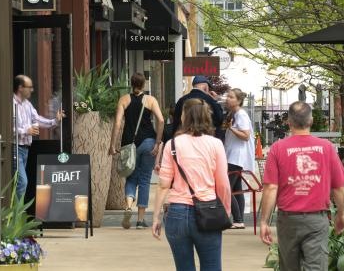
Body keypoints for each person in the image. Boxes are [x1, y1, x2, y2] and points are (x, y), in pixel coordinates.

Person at [259, 101, 344, 271]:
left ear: (289, 122)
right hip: (316, 219)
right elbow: (338, 187)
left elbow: (271, 188)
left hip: (287, 220)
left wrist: (264, 221)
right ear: (311, 121)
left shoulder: (277, 148)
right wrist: (341, 214)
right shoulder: (327, 148)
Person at [152, 99, 231, 271]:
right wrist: (225, 210)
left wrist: (156, 217)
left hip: (177, 213)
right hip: (208, 211)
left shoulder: (172, 144)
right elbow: (223, 183)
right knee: (212, 267)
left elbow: (163, 185)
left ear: (184, 117)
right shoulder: (216, 144)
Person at [109, 73, 165, 229]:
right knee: (145, 179)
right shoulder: (151, 100)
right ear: (144, 84)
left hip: (129, 143)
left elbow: (118, 123)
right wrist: (158, 142)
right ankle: (140, 220)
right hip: (148, 142)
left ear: (131, 83)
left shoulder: (124, 100)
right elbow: (160, 120)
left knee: (131, 177)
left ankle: (128, 205)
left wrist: (112, 144)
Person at [14, 75, 65, 200]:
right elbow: (7, 128)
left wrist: (54, 121)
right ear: (20, 88)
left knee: (18, 183)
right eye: (29, 87)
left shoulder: (27, 104)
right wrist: (27, 130)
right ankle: (16, 216)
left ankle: (16, 214)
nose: (32, 90)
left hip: (25, 149)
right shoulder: (12, 103)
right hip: (14, 148)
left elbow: (37, 119)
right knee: (22, 183)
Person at [222, 88, 255, 230]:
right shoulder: (234, 113)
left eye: (231, 97)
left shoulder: (241, 114)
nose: (228, 99)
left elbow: (246, 135)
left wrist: (231, 128)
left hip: (236, 157)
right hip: (234, 156)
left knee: (227, 188)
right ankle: (238, 219)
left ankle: (238, 218)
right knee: (236, 188)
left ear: (239, 101)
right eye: (227, 96)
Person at [170, 76, 224, 140]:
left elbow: (176, 123)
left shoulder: (181, 100)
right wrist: (215, 101)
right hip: (206, 140)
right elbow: (219, 119)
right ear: (206, 88)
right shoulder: (210, 100)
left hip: (185, 140)